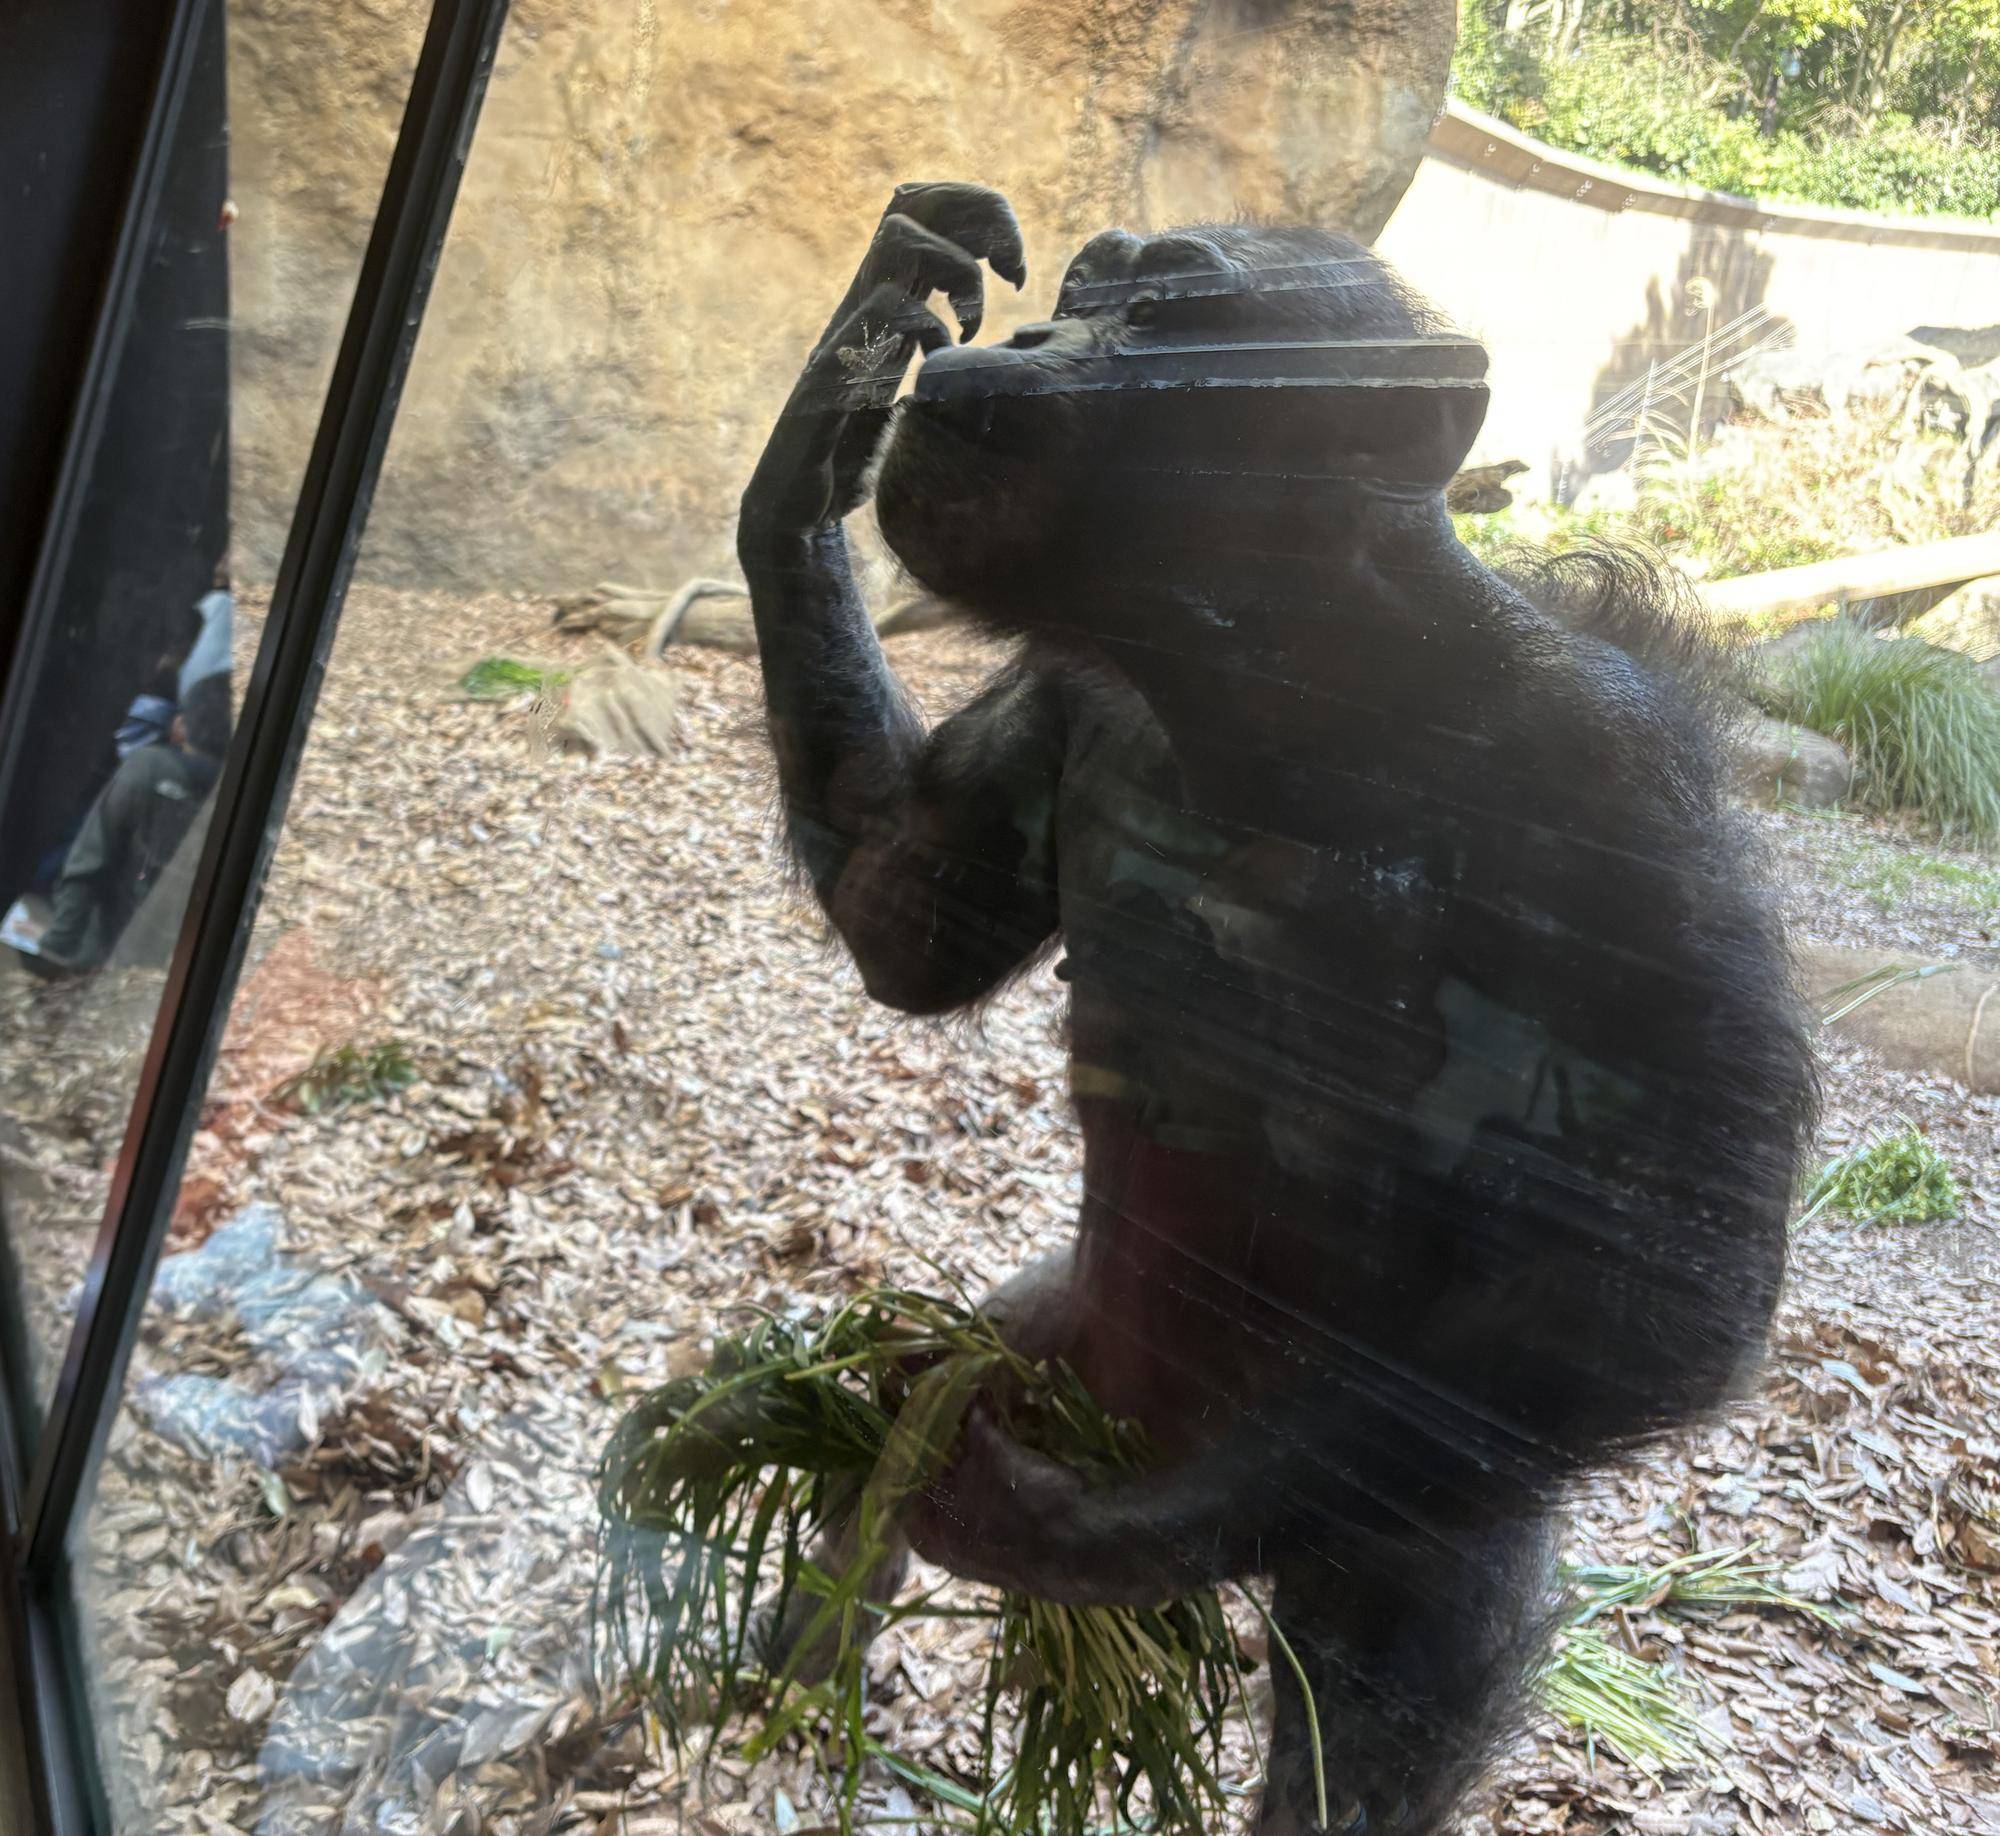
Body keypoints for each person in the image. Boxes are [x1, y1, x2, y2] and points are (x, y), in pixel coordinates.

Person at [12, 575, 234, 978]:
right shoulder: (232, 796)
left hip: (104, 942)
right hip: (157, 961)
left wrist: (55, 946)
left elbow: (85, 863)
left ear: (183, 726)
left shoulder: (150, 767)